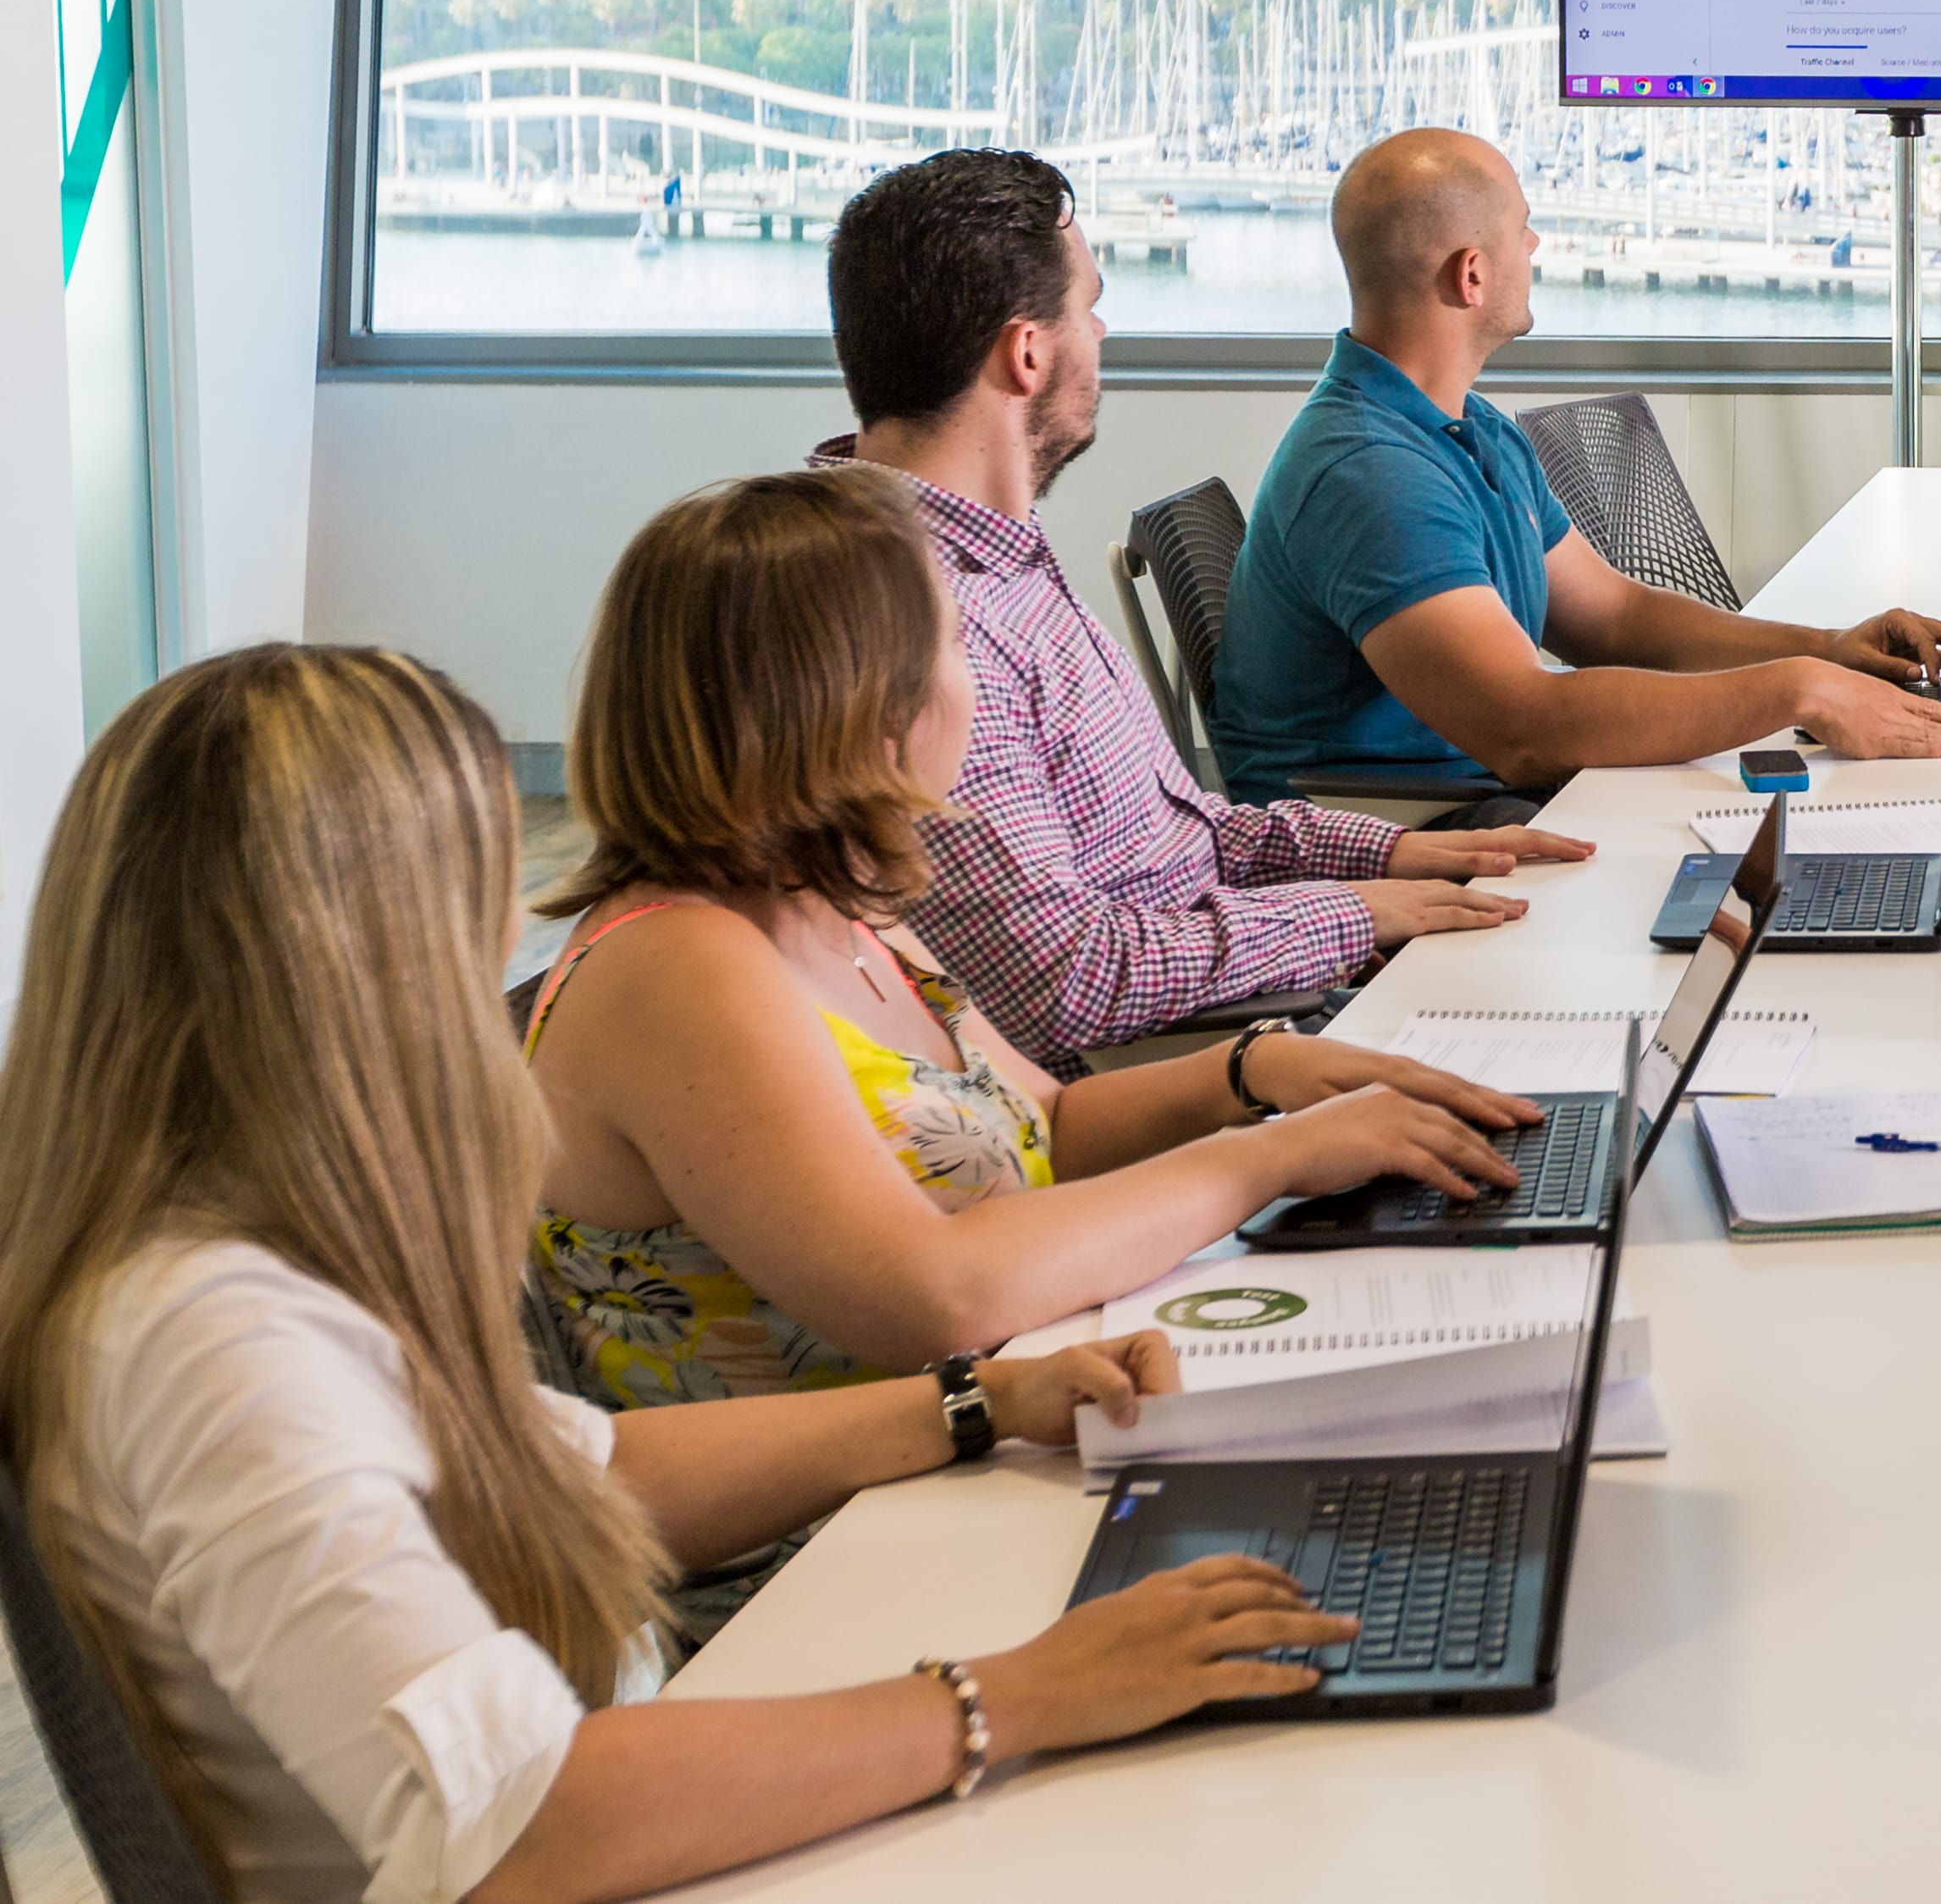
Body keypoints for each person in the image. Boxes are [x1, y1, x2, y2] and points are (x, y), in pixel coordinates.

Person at [0, 644, 1375, 1904]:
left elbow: (563, 1464)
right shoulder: (210, 1331)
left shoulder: (225, 1247)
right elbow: (525, 1820)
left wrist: (977, 1404)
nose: (507, 939)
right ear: (372, 957)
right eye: (477, 906)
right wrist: (1022, 1693)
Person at [524, 469, 1543, 1428]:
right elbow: (934, 1294)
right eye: (954, 648)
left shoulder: (841, 898)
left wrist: (1249, 1070)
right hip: (844, 1532)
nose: (972, 686)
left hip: (1001, 1424)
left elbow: (1044, 1122)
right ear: (870, 703)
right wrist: (1271, 1156)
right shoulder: (678, 967)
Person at [816, 147, 1561, 1070]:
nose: (1101, 332)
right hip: (1194, 1062)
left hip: (1239, 982)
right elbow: (1070, 984)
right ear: (1028, 353)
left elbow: (1184, 835)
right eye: (1089, 307)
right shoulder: (914, 624)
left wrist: (1389, 858)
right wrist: (1346, 915)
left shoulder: (996, 562)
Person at [1208, 129, 1941, 797]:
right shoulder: (1370, 473)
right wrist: (1800, 690)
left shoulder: (1467, 427)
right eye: (1523, 228)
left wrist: (1823, 649)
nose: (1535, 246)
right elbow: (1526, 729)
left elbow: (1613, 618)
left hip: (1475, 799)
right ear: (1472, 273)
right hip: (1403, 830)